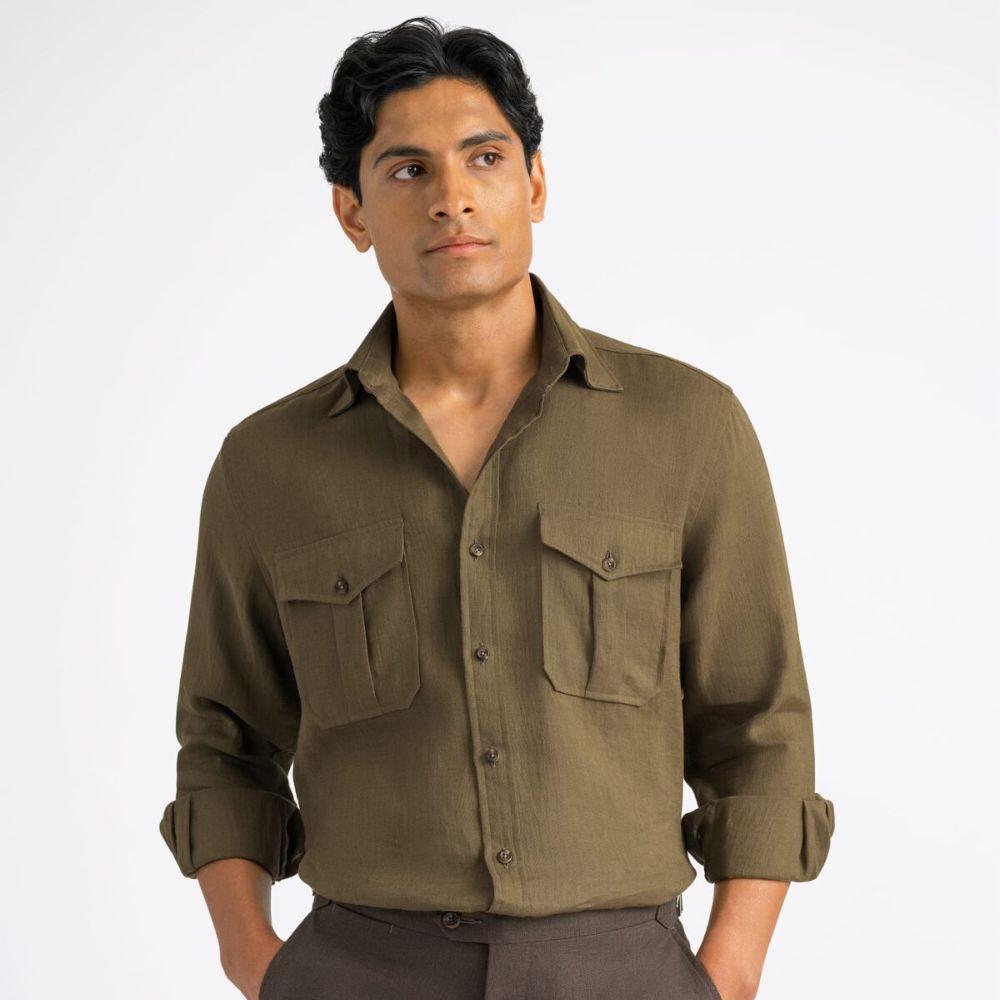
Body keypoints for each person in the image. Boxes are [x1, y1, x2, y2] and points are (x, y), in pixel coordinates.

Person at [158, 16, 835, 1000]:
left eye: (485, 158)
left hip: (620, 968)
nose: (453, 197)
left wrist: (725, 974)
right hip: (359, 967)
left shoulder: (687, 427)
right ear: (351, 212)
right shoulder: (269, 464)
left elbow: (759, 724)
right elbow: (224, 742)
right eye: (407, 170)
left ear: (536, 184)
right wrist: (254, 960)